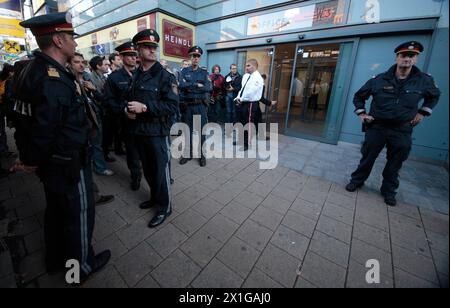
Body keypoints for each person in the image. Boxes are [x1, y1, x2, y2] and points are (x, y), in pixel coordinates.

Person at [14, 12, 110, 282]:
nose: (76, 44)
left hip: (51, 164)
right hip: (68, 163)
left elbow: (25, 123)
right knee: (78, 215)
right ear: (58, 40)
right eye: (71, 38)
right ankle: (81, 269)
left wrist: (30, 159)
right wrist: (30, 161)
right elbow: (45, 130)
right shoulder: (53, 79)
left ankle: (56, 260)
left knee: (56, 213)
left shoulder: (33, 70)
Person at [346, 41, 441, 207]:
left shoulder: (424, 81)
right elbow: (359, 96)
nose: (407, 59)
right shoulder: (379, 79)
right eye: (404, 55)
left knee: (395, 163)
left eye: (412, 56)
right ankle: (357, 181)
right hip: (377, 127)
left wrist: (422, 112)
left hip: (402, 129)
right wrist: (361, 113)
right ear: (397, 57)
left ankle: (389, 191)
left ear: (416, 59)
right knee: (367, 158)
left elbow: (434, 96)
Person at [126, 29, 179, 228]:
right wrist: (128, 110)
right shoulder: (136, 75)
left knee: (161, 172)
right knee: (148, 170)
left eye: (154, 47)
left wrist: (146, 108)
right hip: (140, 131)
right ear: (138, 49)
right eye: (146, 46)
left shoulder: (165, 76)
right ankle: (155, 198)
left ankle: (165, 207)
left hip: (157, 132)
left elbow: (172, 106)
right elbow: (130, 98)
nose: (151, 50)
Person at [69, 52, 115, 207]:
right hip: (80, 126)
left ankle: (97, 170)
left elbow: (101, 98)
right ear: (69, 64)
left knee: (96, 144)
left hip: (94, 118)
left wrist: (93, 90)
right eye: (76, 62)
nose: (81, 65)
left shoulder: (87, 79)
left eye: (83, 62)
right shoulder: (67, 81)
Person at [104, 42, 142, 191]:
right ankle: (136, 176)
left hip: (145, 120)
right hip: (127, 121)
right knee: (132, 152)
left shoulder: (143, 74)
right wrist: (124, 110)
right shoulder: (114, 78)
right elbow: (108, 100)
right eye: (130, 55)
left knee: (146, 151)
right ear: (121, 57)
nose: (134, 58)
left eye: (135, 55)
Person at [179, 46, 212, 167]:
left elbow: (208, 88)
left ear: (200, 58)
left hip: (200, 106)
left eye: (198, 56)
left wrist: (190, 87)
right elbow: (181, 86)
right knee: (187, 131)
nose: (196, 58)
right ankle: (188, 154)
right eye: (193, 56)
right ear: (190, 57)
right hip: (188, 106)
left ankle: (202, 155)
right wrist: (195, 85)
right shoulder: (184, 71)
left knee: (201, 132)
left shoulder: (204, 72)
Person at [86, 56, 115, 176]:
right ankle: (99, 167)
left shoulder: (102, 77)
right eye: (106, 64)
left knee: (102, 140)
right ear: (98, 66)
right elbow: (102, 98)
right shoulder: (91, 79)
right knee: (96, 142)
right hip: (98, 113)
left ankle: (102, 159)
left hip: (104, 113)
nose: (108, 66)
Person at [234, 59, 265, 151]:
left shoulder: (258, 78)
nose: (246, 67)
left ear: (254, 66)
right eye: (246, 65)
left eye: (248, 65)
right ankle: (241, 140)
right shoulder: (248, 76)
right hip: (244, 102)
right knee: (241, 122)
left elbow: (251, 93)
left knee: (248, 123)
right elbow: (243, 89)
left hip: (251, 103)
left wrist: (241, 99)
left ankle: (247, 143)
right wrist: (238, 97)